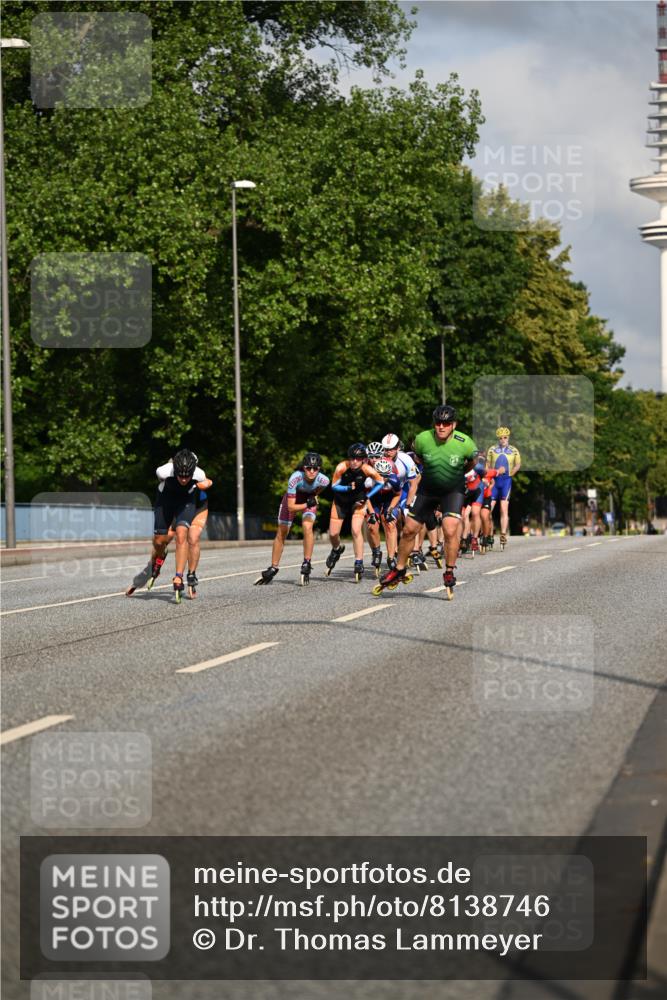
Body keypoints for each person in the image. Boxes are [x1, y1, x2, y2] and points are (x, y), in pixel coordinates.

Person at [374, 405, 477, 599]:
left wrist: (456, 474)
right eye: (438, 423)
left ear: (453, 424)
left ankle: (449, 571)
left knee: (449, 529)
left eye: (446, 423)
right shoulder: (422, 439)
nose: (441, 426)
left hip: (452, 490)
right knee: (409, 529)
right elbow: (419, 459)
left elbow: (472, 461)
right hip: (428, 489)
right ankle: (400, 568)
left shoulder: (465, 442)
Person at [127, 449, 212, 600]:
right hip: (166, 502)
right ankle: (159, 556)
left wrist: (207, 483)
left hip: (192, 505)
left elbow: (209, 482)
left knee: (188, 536)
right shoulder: (163, 471)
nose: (184, 480)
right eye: (181, 476)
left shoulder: (199, 474)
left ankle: (184, 575)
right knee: (160, 540)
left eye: (188, 476)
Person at [255, 452, 329, 585]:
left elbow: (321, 489)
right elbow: (291, 507)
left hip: (308, 499)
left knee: (307, 527)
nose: (312, 471)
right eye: (308, 468)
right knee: (282, 531)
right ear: (303, 468)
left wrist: (314, 496)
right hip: (293, 500)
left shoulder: (324, 480)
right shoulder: (295, 478)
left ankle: (307, 562)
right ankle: (273, 567)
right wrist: (308, 503)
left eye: (315, 468)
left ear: (319, 469)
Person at [327, 443, 384, 582]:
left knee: (355, 530)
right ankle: (336, 549)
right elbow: (333, 486)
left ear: (364, 459)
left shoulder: (367, 469)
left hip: (358, 501)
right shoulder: (341, 467)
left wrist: (367, 497)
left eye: (358, 459)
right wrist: (347, 488)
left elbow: (381, 482)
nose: (354, 462)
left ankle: (358, 562)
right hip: (340, 501)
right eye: (352, 458)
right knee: (333, 533)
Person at [380, 433, 419, 566]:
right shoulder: (380, 459)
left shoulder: (406, 459)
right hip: (388, 492)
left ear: (397, 448)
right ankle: (394, 552)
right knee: (388, 520)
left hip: (404, 490)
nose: (388, 452)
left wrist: (408, 505)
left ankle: (415, 551)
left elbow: (414, 483)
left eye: (391, 449)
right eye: (385, 449)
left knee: (409, 518)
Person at [486, 426, 521, 548]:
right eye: (500, 438)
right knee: (487, 509)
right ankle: (489, 532)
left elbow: (518, 465)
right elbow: (487, 465)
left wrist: (511, 473)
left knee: (503, 509)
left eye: (505, 437)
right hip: (494, 481)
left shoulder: (514, 450)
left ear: (508, 437)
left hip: (506, 481)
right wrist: (489, 477)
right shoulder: (492, 449)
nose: (503, 440)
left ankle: (503, 533)